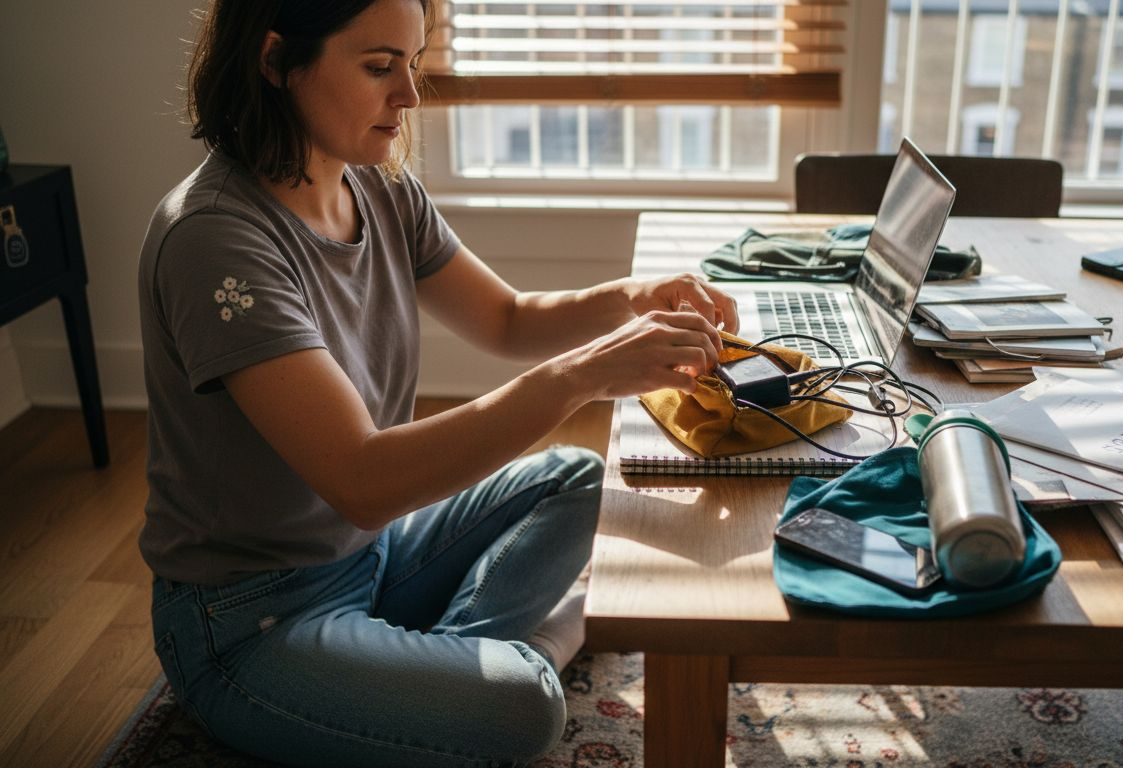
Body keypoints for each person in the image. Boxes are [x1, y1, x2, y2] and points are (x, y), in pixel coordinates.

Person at [137, 1, 738, 765]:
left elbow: (510, 321)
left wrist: (632, 294)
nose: (410, 96)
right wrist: (587, 373)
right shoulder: (215, 239)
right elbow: (363, 480)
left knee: (577, 478)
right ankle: (504, 657)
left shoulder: (379, 190)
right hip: (249, 619)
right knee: (523, 709)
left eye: (413, 66)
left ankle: (423, 670)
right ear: (276, 59)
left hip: (373, 555)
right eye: (380, 67)